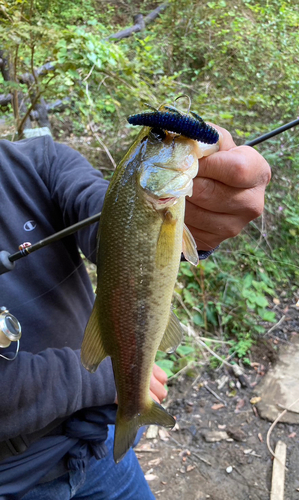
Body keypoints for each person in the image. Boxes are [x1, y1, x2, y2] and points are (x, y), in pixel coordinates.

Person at [0, 124, 271, 499]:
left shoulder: (38, 159)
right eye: (159, 139)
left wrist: (204, 222)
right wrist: (105, 382)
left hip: (95, 444)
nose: (170, 142)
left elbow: (102, 219)